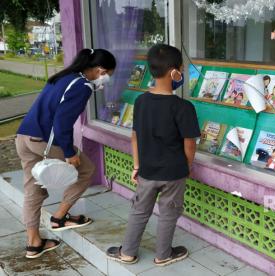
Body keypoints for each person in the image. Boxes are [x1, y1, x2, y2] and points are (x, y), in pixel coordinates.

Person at [15, 48, 116, 258]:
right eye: (108, 75)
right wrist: (69, 153)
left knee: (32, 188)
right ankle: (59, 217)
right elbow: (62, 123)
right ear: (100, 70)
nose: (106, 80)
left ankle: (33, 243)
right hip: (43, 141)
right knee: (86, 169)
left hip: (24, 137)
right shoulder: (82, 86)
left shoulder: (64, 76)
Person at [106, 44, 200, 266]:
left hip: (147, 170)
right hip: (174, 172)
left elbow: (135, 137)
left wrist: (137, 165)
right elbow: (190, 143)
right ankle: (163, 255)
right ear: (173, 72)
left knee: (139, 211)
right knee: (169, 213)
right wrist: (187, 165)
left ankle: (127, 252)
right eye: (182, 69)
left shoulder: (141, 102)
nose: (183, 74)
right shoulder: (184, 107)